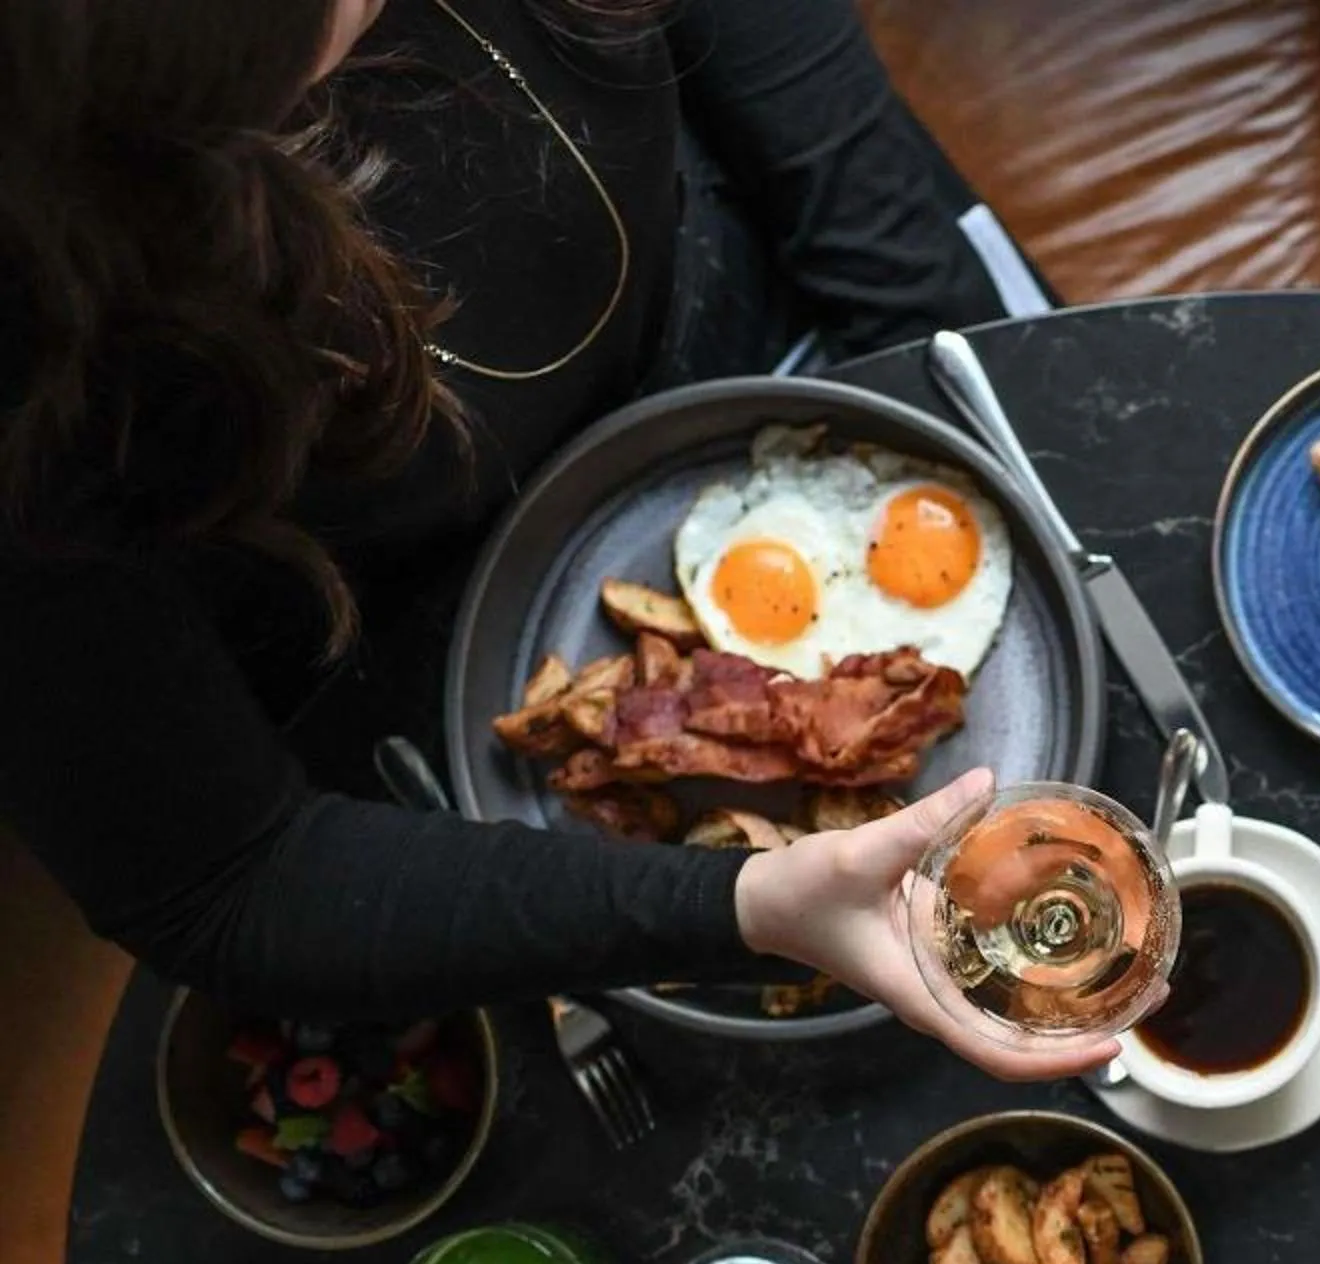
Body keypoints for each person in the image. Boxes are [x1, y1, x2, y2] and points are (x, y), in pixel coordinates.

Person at [0, 0, 1095, 1073]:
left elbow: (818, 123)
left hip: (778, 327)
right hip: (427, 694)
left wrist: (943, 378)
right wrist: (740, 905)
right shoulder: (49, 376)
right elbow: (222, 881)